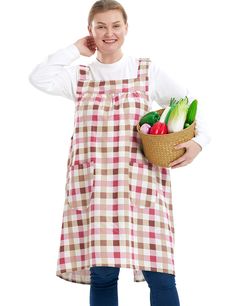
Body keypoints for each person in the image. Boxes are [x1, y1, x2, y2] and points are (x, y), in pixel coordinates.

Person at [29, 1, 210, 305]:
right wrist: (75, 49)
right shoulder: (79, 77)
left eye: (115, 25)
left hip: (141, 184)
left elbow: (187, 104)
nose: (108, 32)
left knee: (160, 273)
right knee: (103, 274)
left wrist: (200, 140)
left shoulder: (145, 70)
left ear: (126, 28)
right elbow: (38, 77)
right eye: (100, 26)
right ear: (91, 31)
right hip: (95, 186)